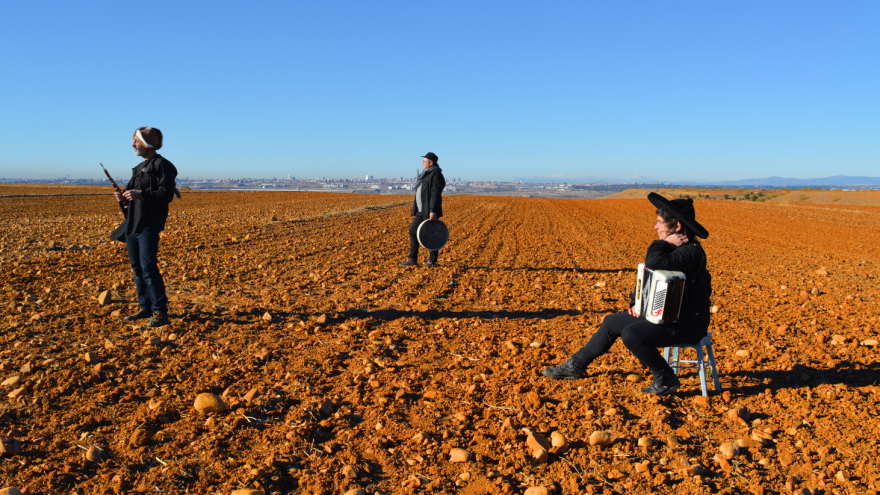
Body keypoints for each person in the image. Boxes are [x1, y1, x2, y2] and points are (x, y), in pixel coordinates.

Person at [542, 193, 712, 395]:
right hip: (665, 317)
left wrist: (665, 243)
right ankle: (575, 366)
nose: (655, 227)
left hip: (686, 324)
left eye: (659, 223)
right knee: (611, 322)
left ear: (677, 227)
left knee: (633, 335)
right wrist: (636, 303)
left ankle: (666, 378)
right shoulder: (676, 251)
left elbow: (653, 262)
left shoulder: (690, 253)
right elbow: (650, 276)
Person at [114, 127, 178, 328]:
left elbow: (166, 195)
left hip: (149, 223)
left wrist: (140, 194)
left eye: (136, 141)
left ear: (147, 143)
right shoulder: (138, 168)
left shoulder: (163, 166)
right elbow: (135, 196)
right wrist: (123, 197)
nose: (133, 145)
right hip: (133, 223)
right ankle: (145, 307)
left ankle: (160, 312)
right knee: (137, 269)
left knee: (149, 268)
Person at [399, 152, 446, 268]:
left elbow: (435, 194)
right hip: (421, 210)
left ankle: (432, 261)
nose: (422, 163)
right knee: (413, 231)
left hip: (429, 211)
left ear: (431, 163)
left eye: (424, 161)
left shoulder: (436, 175)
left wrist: (432, 210)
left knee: (433, 234)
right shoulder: (426, 174)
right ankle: (412, 259)